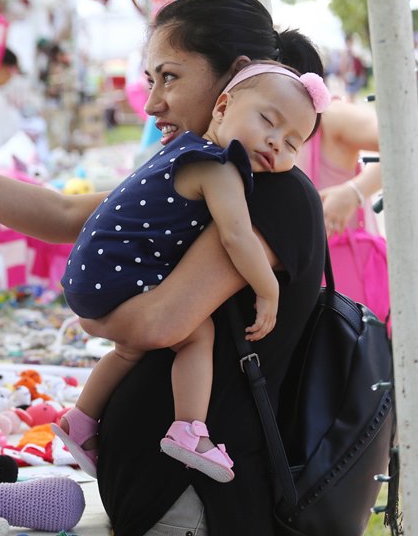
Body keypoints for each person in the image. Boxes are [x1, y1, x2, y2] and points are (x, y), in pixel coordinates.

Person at [0, 0, 326, 535]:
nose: (151, 104)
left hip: (195, 502)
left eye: (169, 77)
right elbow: (65, 212)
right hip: (166, 492)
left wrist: (94, 316)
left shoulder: (264, 192)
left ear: (232, 81)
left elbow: (158, 323)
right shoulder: (199, 166)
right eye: (150, 80)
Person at [55, 62, 327, 485]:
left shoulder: (181, 148)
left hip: (92, 272)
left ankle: (81, 419)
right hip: (113, 274)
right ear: (222, 106)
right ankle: (189, 430)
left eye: (293, 143)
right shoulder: (218, 167)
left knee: (128, 350)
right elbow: (237, 237)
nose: (277, 143)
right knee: (197, 334)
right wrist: (267, 288)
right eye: (268, 122)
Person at [296, 98, 388, 322]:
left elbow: (406, 139)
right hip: (292, 288)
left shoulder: (330, 116)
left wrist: (354, 192)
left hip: (342, 287)